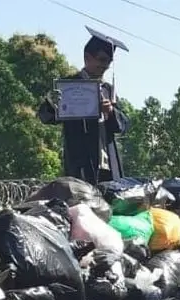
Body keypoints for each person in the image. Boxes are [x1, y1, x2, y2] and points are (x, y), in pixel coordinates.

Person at [38, 27, 130, 185]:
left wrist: (111, 112)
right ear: (87, 58)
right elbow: (46, 117)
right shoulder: (68, 86)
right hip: (82, 162)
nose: (105, 65)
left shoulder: (108, 89)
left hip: (108, 163)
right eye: (101, 60)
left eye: (109, 61)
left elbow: (123, 125)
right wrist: (52, 103)